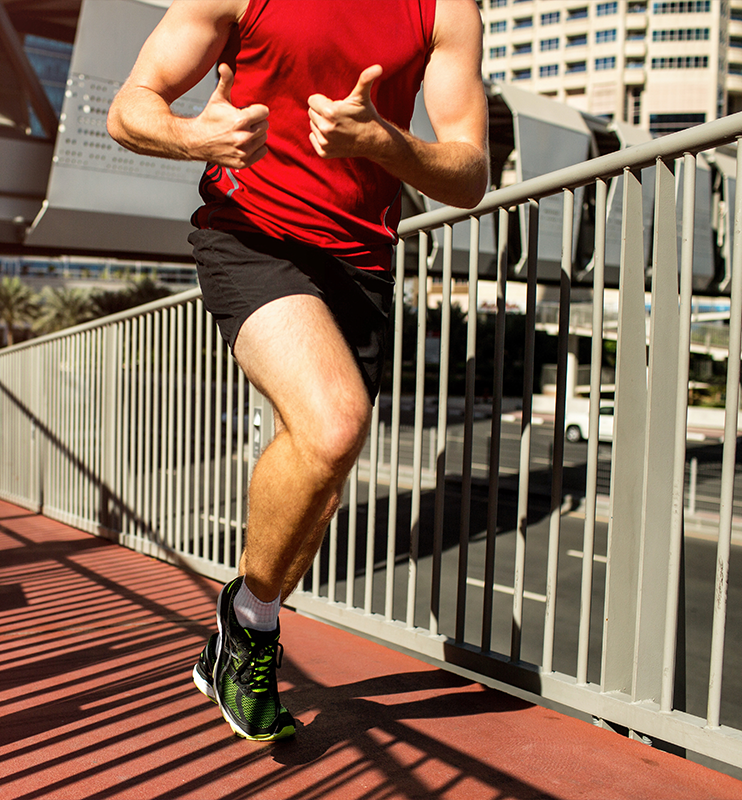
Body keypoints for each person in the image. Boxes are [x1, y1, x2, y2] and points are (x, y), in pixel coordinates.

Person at [107, 0, 489, 741]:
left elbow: (469, 170)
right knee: (335, 420)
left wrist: (386, 143)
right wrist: (195, 137)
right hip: (252, 237)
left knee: (324, 462)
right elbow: (130, 107)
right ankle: (252, 628)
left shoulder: (445, 10)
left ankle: (243, 616)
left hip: (362, 264)